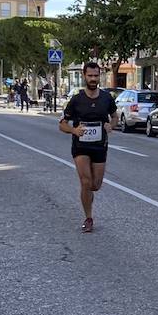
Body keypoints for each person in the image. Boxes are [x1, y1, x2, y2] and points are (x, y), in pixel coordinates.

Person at [59, 62, 118, 233]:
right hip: (81, 146)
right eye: (90, 75)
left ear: (99, 76)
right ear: (84, 76)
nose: (93, 79)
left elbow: (114, 117)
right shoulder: (76, 100)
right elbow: (62, 124)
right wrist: (74, 130)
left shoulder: (107, 98)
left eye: (96, 75)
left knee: (95, 185)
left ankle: (88, 196)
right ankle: (88, 218)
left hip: (100, 146)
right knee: (85, 182)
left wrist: (111, 125)